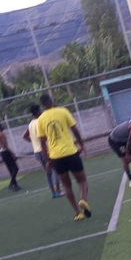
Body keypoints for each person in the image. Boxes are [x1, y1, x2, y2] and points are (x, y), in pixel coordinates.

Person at [36, 93, 92, 221]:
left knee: (67, 186)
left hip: (56, 157)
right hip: (71, 152)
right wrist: (82, 145)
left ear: (42, 105)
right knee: (82, 180)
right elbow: (75, 130)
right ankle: (83, 199)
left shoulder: (41, 119)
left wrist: (47, 160)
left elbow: (42, 142)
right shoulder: (63, 111)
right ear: (51, 100)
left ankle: (78, 213)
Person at [23, 104, 62, 198]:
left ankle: (53, 193)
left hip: (37, 152)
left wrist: (34, 142)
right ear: (37, 112)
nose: (42, 111)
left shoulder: (31, 124)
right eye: (40, 110)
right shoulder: (40, 121)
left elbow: (25, 136)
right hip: (45, 150)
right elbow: (47, 136)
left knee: (48, 172)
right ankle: (58, 190)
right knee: (58, 169)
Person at [0, 121, 22, 191]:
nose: (3, 126)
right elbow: (5, 146)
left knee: (11, 169)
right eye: (1, 125)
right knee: (15, 168)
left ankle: (15, 185)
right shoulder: (1, 134)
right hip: (6, 152)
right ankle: (11, 184)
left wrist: (1, 152)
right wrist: (12, 154)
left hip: (3, 153)